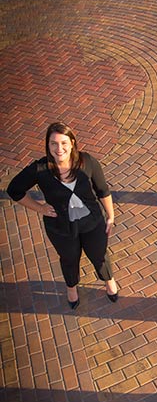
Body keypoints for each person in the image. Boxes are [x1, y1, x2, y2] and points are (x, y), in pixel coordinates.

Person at [7, 122, 118, 309]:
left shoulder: (87, 161)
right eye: (54, 144)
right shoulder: (40, 169)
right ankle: (71, 288)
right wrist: (40, 208)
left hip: (92, 222)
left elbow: (103, 190)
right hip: (61, 227)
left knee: (99, 254)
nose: (59, 149)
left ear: (72, 143)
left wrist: (111, 216)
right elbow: (14, 190)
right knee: (69, 258)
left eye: (64, 143)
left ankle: (108, 280)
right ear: (48, 145)